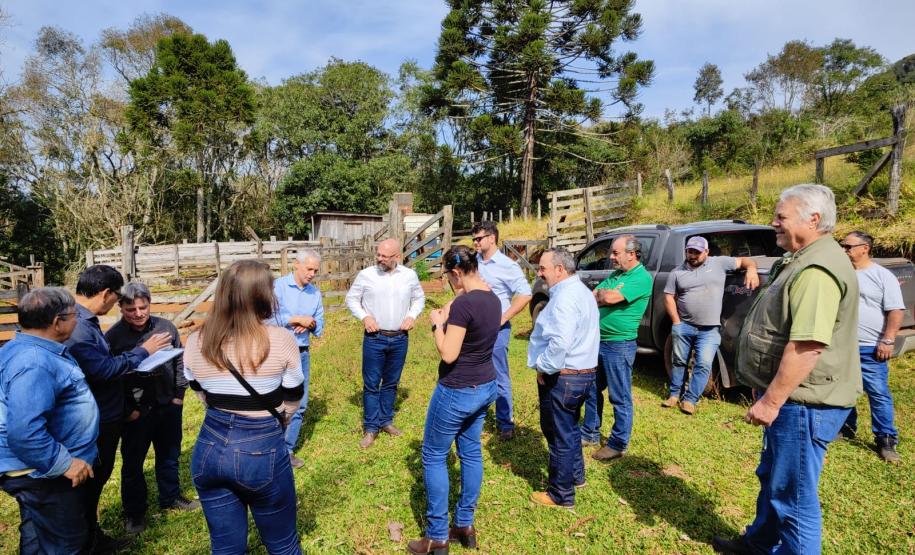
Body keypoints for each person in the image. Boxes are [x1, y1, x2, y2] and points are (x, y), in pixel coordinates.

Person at [713, 184, 862, 555]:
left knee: (793, 497)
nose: (773, 223)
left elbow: (808, 346)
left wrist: (772, 399)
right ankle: (759, 544)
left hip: (803, 403)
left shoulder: (816, 269)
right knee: (774, 478)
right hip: (793, 399)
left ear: (813, 219)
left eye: (781, 216)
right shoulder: (803, 258)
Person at [183, 260, 305, 554]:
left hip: (209, 445)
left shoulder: (196, 340)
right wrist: (281, 419)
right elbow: (293, 397)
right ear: (263, 295)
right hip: (261, 447)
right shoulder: (280, 339)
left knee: (225, 547)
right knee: (282, 543)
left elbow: (201, 393)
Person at [66, 264, 172, 553]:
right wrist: (142, 352)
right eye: (119, 300)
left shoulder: (85, 322)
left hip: (108, 414)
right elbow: (103, 370)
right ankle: (84, 541)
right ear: (106, 294)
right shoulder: (78, 327)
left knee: (96, 482)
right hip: (96, 420)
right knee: (89, 484)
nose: (121, 306)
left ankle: (92, 536)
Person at [407, 246, 501, 554]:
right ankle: (465, 523)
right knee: (471, 452)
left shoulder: (463, 307)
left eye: (448, 275)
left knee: (434, 455)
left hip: (457, 389)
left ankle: (437, 536)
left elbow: (449, 353)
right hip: (486, 385)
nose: (448, 280)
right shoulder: (492, 298)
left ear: (456, 273)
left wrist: (437, 325)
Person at [0, 288, 98, 554]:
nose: (77, 320)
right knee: (65, 543)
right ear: (57, 322)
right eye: (73, 315)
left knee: (36, 531)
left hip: (33, 471)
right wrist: (63, 463)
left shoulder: (21, 347)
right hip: (43, 473)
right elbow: (25, 432)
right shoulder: (34, 362)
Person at [105, 282, 199, 536]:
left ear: (150, 304)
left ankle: (170, 497)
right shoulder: (113, 338)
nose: (137, 313)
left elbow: (180, 359)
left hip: (168, 405)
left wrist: (179, 395)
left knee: (169, 455)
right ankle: (135, 513)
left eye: (142, 307)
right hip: (136, 412)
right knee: (133, 463)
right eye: (130, 309)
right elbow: (111, 379)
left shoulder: (165, 327)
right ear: (120, 308)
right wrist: (128, 410)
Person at [527, 248, 600, 508]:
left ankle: (561, 494)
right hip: (581, 373)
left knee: (559, 434)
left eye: (543, 268)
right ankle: (575, 476)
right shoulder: (579, 291)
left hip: (564, 376)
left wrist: (544, 367)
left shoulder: (565, 298)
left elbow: (560, 343)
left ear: (560, 269)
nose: (540, 273)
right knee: (568, 428)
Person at [662, 236, 759, 414]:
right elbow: (668, 296)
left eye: (697, 252)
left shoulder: (720, 263)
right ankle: (674, 394)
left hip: (709, 329)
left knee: (704, 364)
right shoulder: (677, 272)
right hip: (684, 326)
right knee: (679, 361)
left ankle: (690, 399)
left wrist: (751, 269)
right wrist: (676, 322)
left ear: (707, 252)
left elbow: (745, 261)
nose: (693, 255)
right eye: (690, 251)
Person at [345, 238, 425, 449]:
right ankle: (371, 427)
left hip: (400, 337)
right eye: (378, 254)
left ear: (397, 257)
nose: (379, 258)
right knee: (371, 384)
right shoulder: (367, 275)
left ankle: (386, 421)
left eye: (384, 256)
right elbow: (351, 299)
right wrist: (364, 317)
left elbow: (419, 298)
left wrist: (412, 315)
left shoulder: (409, 276)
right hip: (375, 338)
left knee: (391, 382)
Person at [837, 230, 906, 463]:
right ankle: (846, 428)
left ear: (864, 248)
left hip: (870, 347)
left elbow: (896, 309)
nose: (844, 250)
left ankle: (886, 439)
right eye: (842, 246)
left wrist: (888, 339)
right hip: (842, 345)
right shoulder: (841, 273)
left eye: (848, 246)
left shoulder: (882, 275)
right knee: (844, 389)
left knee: (877, 393)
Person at [586, 236, 653, 461]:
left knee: (619, 396)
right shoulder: (617, 275)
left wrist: (603, 296)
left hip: (619, 344)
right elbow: (594, 295)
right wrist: (601, 296)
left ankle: (618, 443)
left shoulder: (641, 278)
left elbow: (610, 297)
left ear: (631, 254)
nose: (611, 258)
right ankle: (590, 432)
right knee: (591, 389)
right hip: (600, 341)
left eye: (616, 253)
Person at [471, 221, 532, 440]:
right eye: (474, 239)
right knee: (473, 372)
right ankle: (474, 415)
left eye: (479, 238)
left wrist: (503, 317)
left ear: (492, 238)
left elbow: (525, 294)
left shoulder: (508, 265)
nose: (475, 243)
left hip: (497, 330)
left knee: (498, 374)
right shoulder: (473, 262)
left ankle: (505, 423)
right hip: (473, 329)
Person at [273, 249, 325, 468]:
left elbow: (320, 326)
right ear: (296, 264)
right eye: (309, 269)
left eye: (315, 270)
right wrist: (295, 319)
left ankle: (287, 450)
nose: (312, 274)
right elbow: (269, 316)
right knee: (274, 402)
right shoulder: (278, 287)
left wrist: (311, 324)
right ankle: (269, 448)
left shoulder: (315, 293)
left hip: (301, 353)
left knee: (299, 404)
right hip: (275, 352)